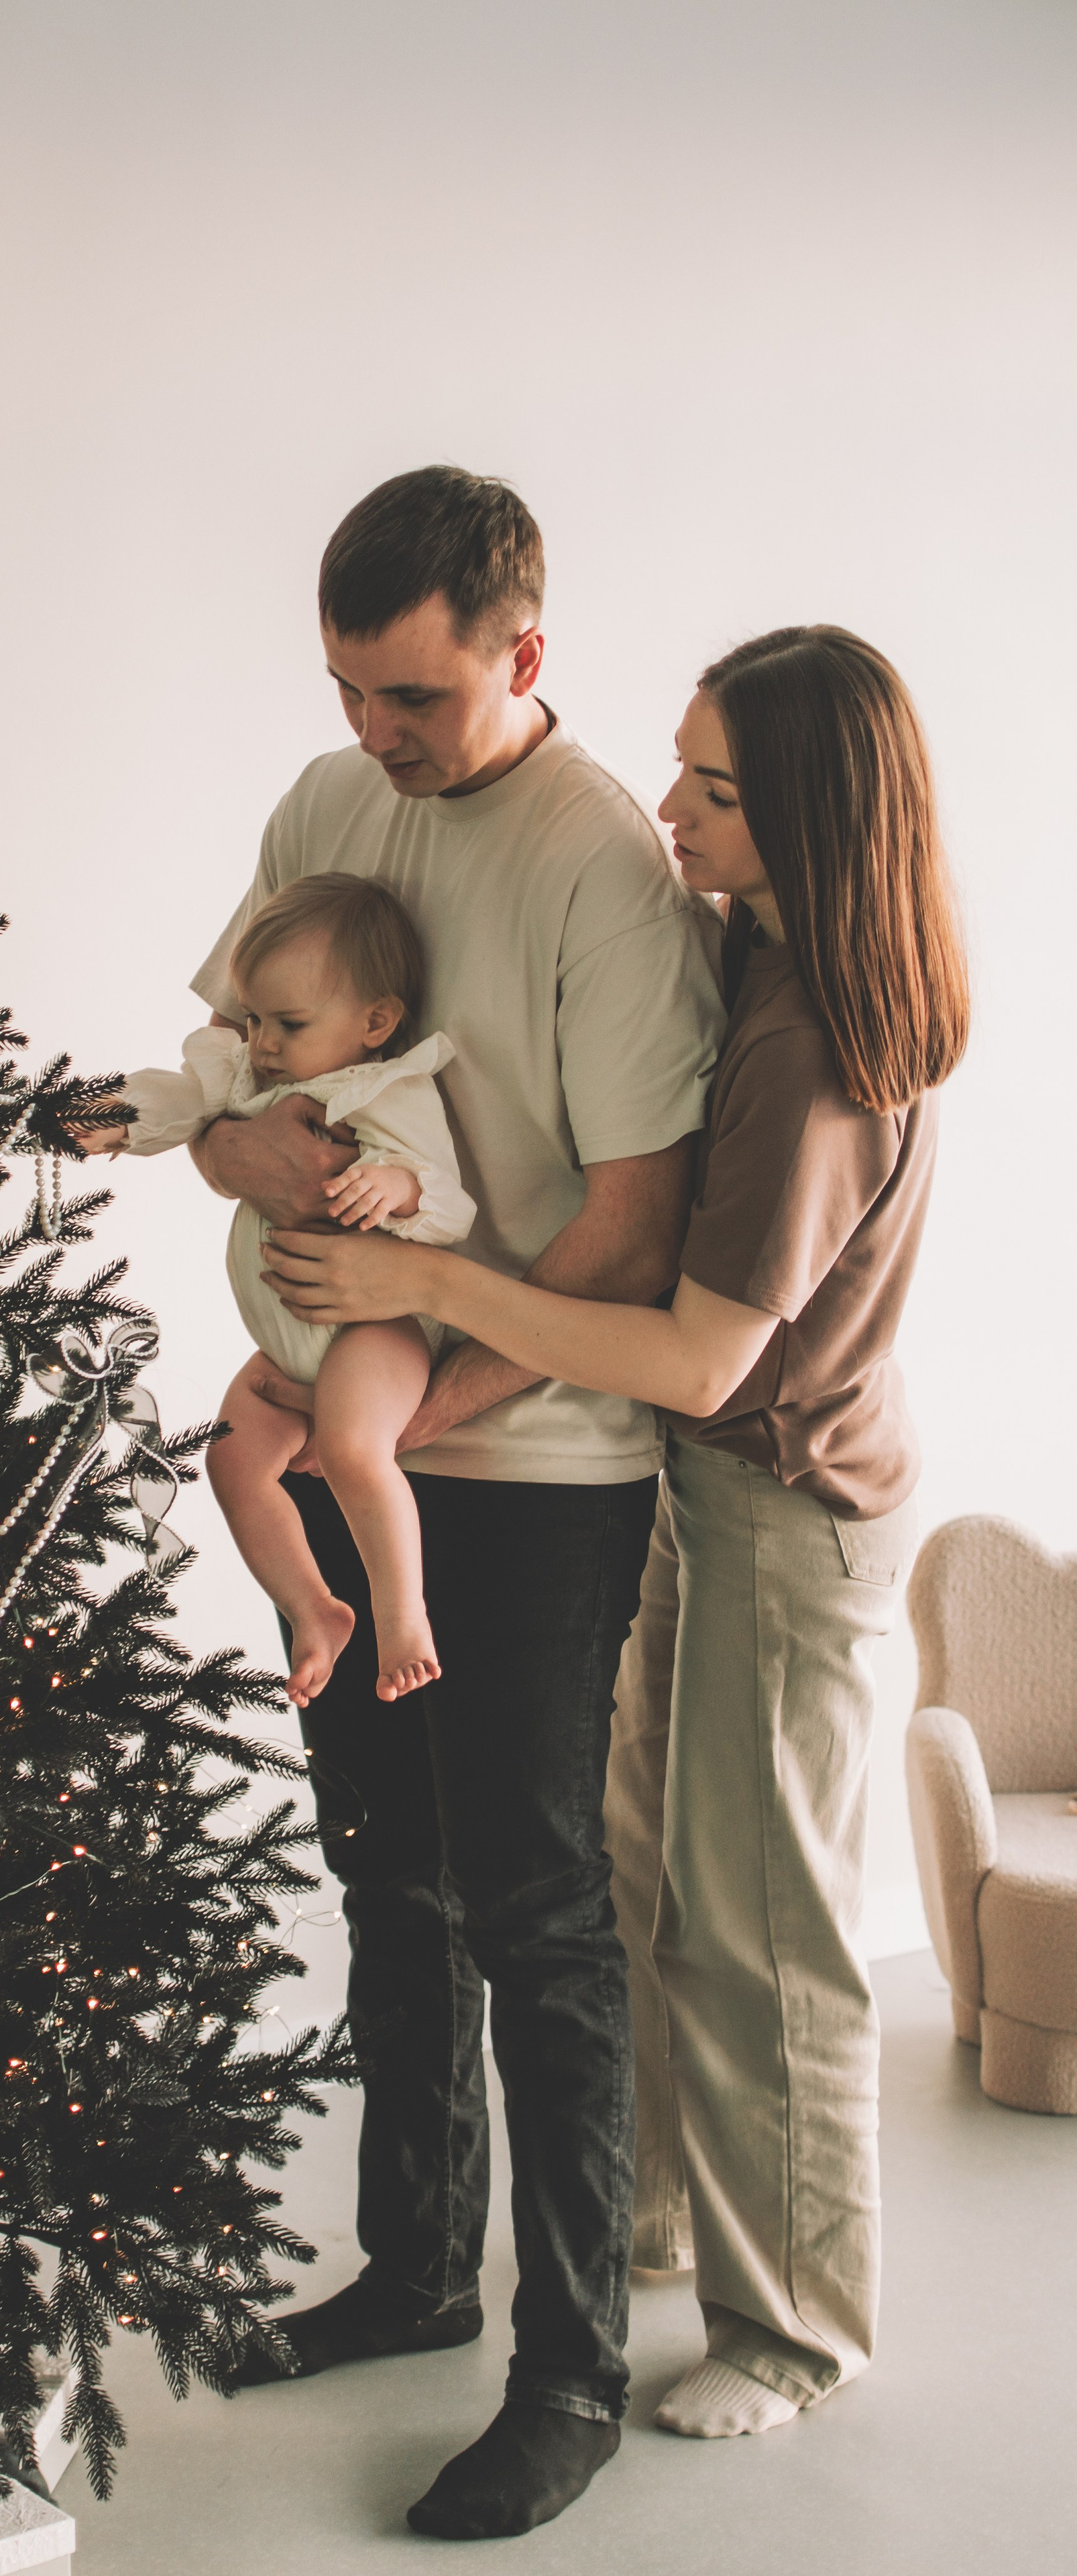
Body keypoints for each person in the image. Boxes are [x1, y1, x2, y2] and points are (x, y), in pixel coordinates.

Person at [262, 625, 968, 2457]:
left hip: (792, 1518)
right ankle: (654, 2216)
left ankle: (798, 2329)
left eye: (718, 792)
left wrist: (426, 1289)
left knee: (767, 1935)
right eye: (677, 766)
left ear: (811, 817)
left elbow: (694, 1340)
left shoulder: (817, 1047)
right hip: (698, 1488)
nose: (670, 809)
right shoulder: (755, 951)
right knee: (646, 1880)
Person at [185, 466, 726, 2541]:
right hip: (353, 1428)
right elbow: (234, 1082)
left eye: (409, 697)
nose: (371, 741)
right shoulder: (329, 814)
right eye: (343, 688)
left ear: (520, 651)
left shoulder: (601, 869)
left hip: (536, 1459)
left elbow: (622, 1226)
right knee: (384, 1884)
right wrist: (245, 1165)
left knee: (534, 1906)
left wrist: (418, 1413)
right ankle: (411, 2274)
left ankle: (568, 2365)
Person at [73, 873, 476, 1705]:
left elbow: (449, 1204)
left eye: (288, 1025)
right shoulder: (250, 1081)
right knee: (230, 1455)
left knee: (357, 1449)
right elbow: (184, 1099)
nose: (261, 1044)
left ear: (377, 1020)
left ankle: (403, 1617)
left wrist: (397, 1187)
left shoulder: (386, 1089)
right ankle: (312, 1607)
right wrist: (120, 1116)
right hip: (286, 1336)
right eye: (253, 1020)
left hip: (377, 1330)